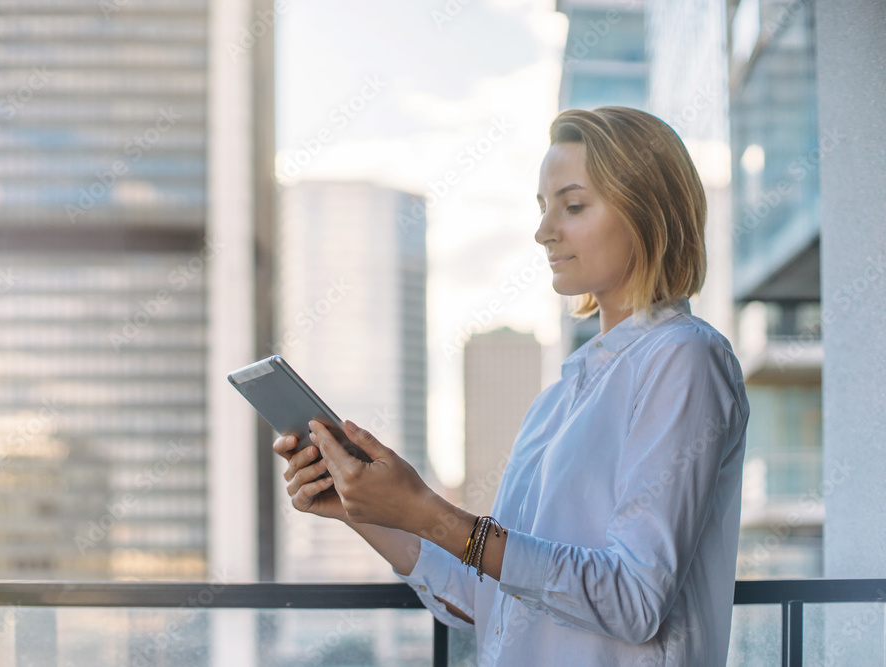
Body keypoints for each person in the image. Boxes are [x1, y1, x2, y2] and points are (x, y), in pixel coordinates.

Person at [273, 106, 750, 666]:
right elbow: (490, 599)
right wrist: (369, 509)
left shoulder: (684, 357)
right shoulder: (560, 399)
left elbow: (633, 600)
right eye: (544, 208)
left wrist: (430, 511)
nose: (544, 231)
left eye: (573, 206)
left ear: (649, 212)